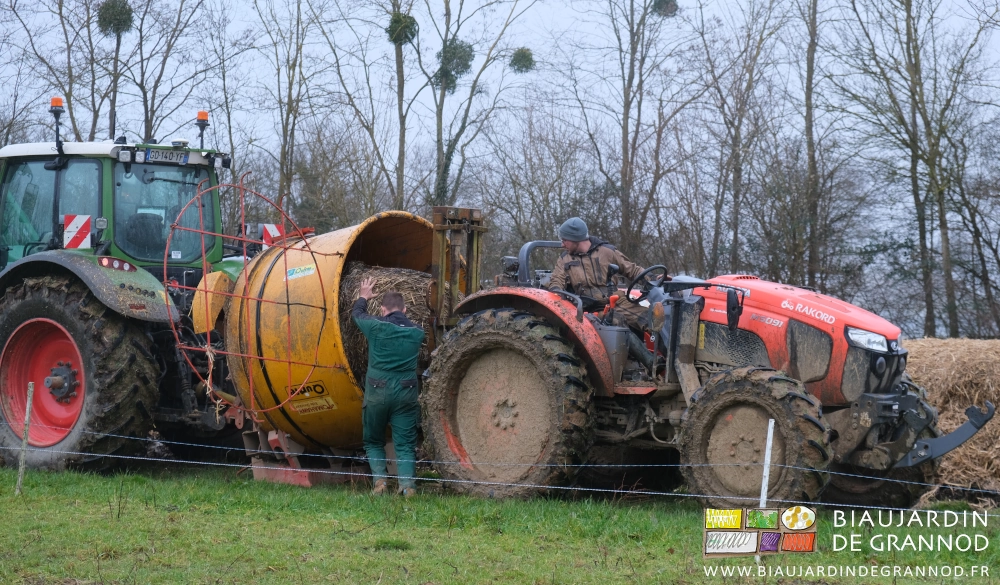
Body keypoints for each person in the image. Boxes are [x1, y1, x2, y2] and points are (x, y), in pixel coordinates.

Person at [547, 217, 657, 369]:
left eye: (564, 240)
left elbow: (633, 270)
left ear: (575, 239)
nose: (562, 244)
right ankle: (652, 364)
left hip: (618, 301)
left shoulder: (607, 251)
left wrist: (652, 279)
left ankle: (673, 362)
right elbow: (556, 281)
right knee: (615, 322)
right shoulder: (565, 260)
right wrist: (556, 293)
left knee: (654, 319)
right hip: (591, 309)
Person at [352, 277, 425, 497]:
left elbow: (357, 315)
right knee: (404, 443)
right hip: (406, 392)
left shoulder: (375, 326)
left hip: (377, 391)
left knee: (374, 440)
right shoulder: (417, 333)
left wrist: (364, 296)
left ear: (383, 309)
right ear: (404, 309)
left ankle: (380, 483)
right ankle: (407, 486)